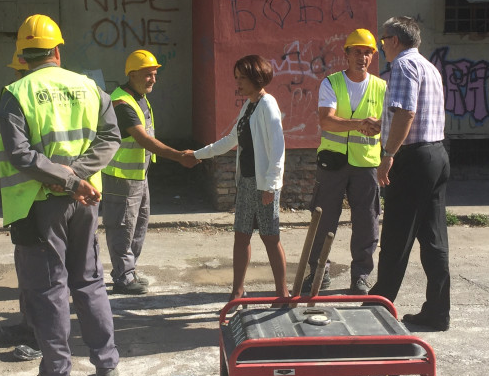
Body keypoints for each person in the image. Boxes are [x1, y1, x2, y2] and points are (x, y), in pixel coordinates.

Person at [0, 14, 121, 376]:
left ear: (22, 54)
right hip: (85, 202)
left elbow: (20, 155)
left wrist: (65, 178)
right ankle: (106, 366)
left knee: (49, 289)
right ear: (57, 50)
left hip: (39, 206)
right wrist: (78, 177)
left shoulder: (16, 92)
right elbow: (110, 137)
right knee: (89, 281)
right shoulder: (90, 88)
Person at [369, 16, 451, 331]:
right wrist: (382, 125)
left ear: (394, 40)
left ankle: (379, 306)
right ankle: (437, 311)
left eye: (383, 40)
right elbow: (413, 114)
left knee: (396, 236)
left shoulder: (402, 66)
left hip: (413, 159)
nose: (381, 47)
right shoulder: (428, 67)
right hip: (436, 155)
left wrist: (388, 155)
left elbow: (406, 113)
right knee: (433, 239)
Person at [187, 54, 287, 301]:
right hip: (246, 182)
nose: (238, 83)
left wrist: (271, 186)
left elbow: (278, 148)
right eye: (237, 78)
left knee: (270, 237)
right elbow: (231, 139)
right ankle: (237, 292)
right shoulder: (249, 106)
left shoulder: (267, 104)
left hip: (264, 185)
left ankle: (282, 293)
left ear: (256, 78)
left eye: (242, 78)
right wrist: (198, 154)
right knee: (241, 236)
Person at [102, 49, 198, 295]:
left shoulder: (139, 97)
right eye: (148, 74)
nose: (153, 79)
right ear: (132, 74)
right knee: (122, 227)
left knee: (139, 224)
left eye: (155, 74)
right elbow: (144, 140)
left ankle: (128, 271)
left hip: (138, 175)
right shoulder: (122, 102)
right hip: (121, 178)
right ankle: (123, 278)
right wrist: (179, 156)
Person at [305, 28, 386, 296]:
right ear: (347, 54)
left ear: (372, 56)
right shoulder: (331, 83)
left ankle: (360, 277)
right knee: (323, 219)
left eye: (367, 53)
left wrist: (385, 142)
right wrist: (361, 123)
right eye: (357, 52)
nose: (362, 57)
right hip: (333, 163)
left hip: (366, 164)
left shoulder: (381, 87)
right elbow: (326, 120)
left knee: (367, 222)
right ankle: (319, 273)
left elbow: (390, 123)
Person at [0, 49, 42, 362]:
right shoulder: (19, 97)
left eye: (18, 70)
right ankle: (29, 325)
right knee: (27, 271)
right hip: (22, 201)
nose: (15, 76)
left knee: (42, 276)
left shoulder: (23, 95)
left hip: (37, 200)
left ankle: (41, 337)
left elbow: (29, 152)